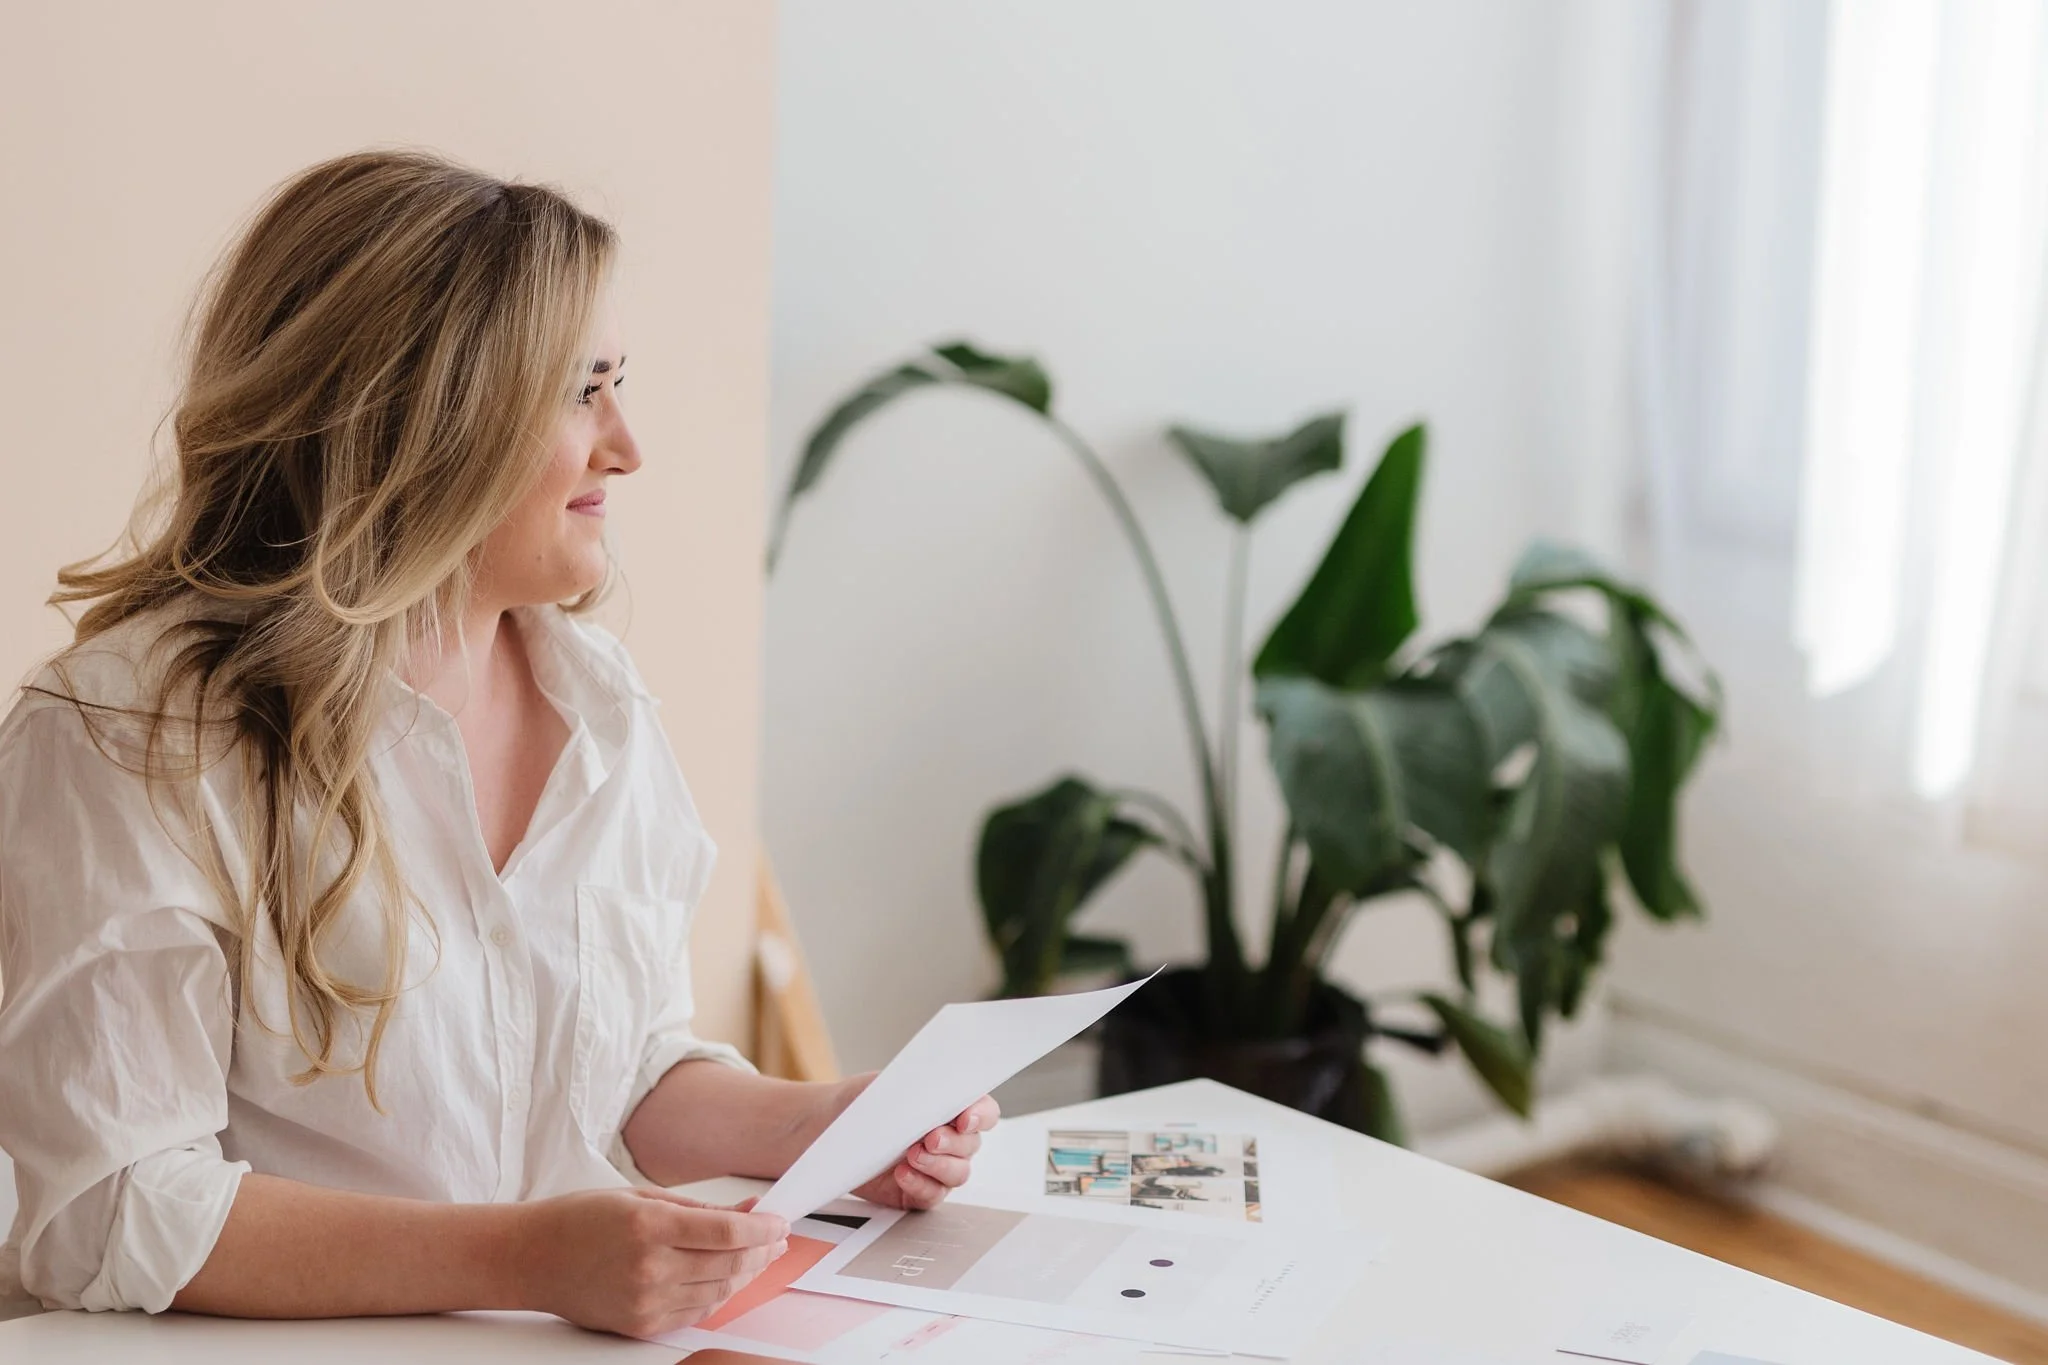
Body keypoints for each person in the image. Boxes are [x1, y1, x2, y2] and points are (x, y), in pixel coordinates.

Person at [0, 149, 996, 1340]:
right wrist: (525, 1257)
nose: (626, 446)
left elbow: (618, 1067)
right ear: (425, 421)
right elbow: (110, 1206)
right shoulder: (129, 736)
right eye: (581, 393)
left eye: (617, 386)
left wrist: (820, 1125)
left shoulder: (601, 706)